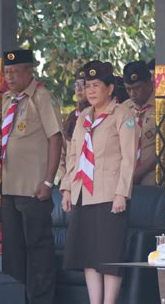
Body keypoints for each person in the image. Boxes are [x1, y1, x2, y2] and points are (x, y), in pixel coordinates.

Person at [61, 60, 138, 304]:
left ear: (110, 88)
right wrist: (66, 189)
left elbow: (129, 159)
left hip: (109, 194)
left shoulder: (123, 116)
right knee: (87, 253)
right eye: (87, 86)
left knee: (108, 254)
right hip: (83, 192)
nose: (90, 91)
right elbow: (74, 155)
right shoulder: (83, 116)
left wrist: (121, 193)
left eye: (96, 85)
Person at [1, 49, 63, 304]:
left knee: (38, 249)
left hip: (34, 188)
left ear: (30, 71)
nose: (10, 77)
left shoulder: (41, 97)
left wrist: (48, 181)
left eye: (15, 71)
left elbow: (55, 138)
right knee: (12, 251)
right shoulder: (6, 99)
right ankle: (17, 298)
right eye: (7, 72)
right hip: (7, 187)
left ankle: (41, 300)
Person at [122, 61, 156, 185]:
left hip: (153, 178)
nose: (133, 94)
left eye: (137, 88)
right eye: (128, 89)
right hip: (125, 178)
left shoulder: (162, 108)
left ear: (149, 83)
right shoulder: (124, 108)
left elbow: (163, 149)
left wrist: (137, 173)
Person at [58, 67, 90, 181]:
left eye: (84, 85)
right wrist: (62, 177)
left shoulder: (97, 114)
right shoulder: (72, 117)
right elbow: (62, 151)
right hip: (70, 178)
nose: (79, 89)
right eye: (76, 85)